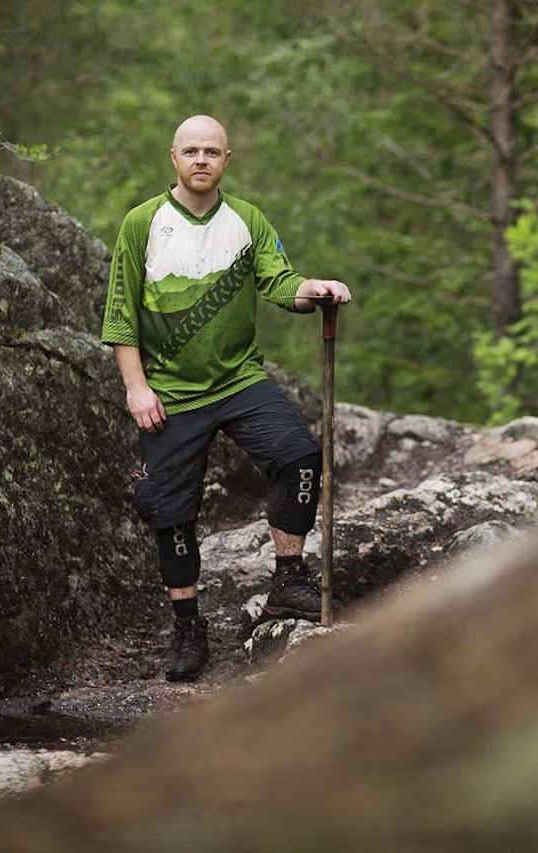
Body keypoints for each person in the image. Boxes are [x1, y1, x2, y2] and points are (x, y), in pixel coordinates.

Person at [101, 114, 351, 682]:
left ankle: (288, 581)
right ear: (173, 158)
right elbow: (120, 314)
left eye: (211, 151)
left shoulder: (247, 220)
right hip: (169, 391)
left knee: (300, 456)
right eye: (190, 151)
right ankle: (188, 627)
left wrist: (313, 290)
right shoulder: (142, 223)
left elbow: (280, 282)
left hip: (238, 380)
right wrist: (136, 387)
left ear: (227, 160)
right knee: (170, 511)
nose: (200, 160)